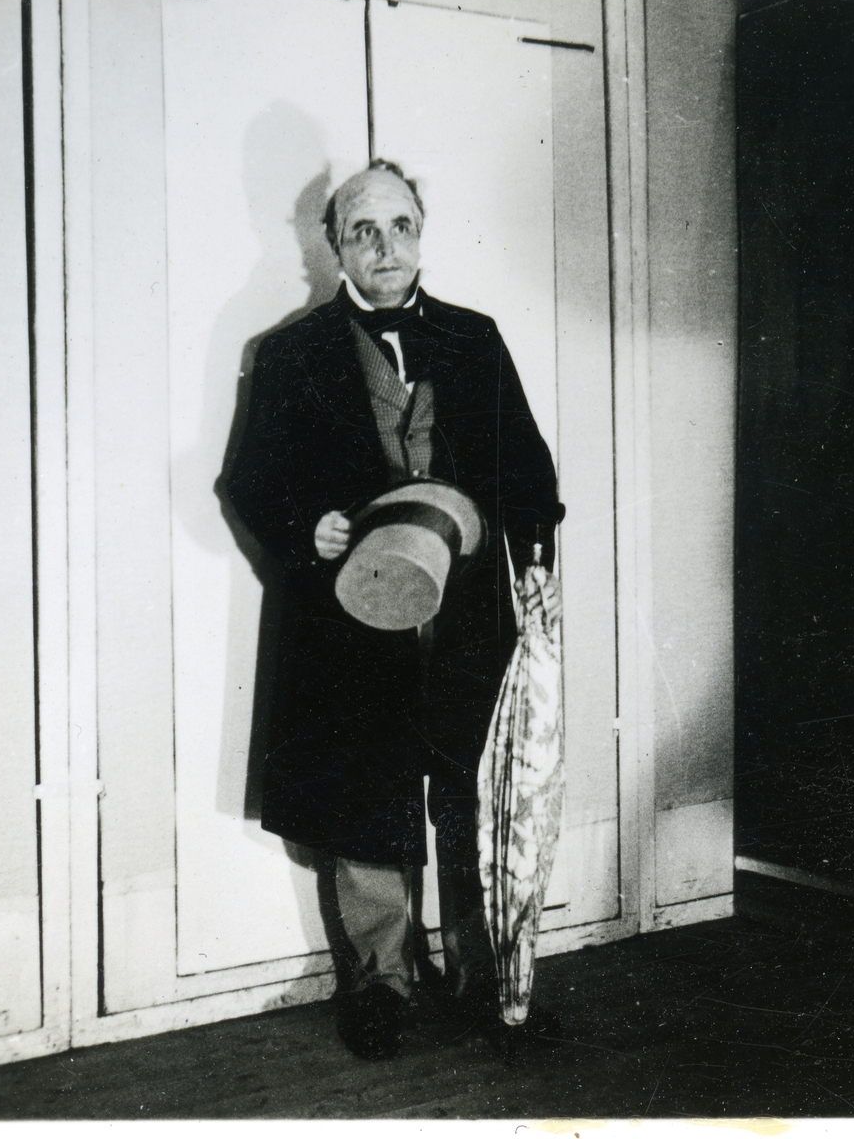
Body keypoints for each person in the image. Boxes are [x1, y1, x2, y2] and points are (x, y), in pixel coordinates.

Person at [224, 160, 564, 1060]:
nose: (384, 247)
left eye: (400, 226)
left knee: (470, 793)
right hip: (347, 621)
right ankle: (379, 985)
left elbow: (528, 468)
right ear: (334, 247)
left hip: (467, 615)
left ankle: (489, 979)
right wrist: (308, 529)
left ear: (422, 234)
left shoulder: (474, 339)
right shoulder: (289, 353)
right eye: (362, 230)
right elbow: (248, 481)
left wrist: (534, 562)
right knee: (362, 795)